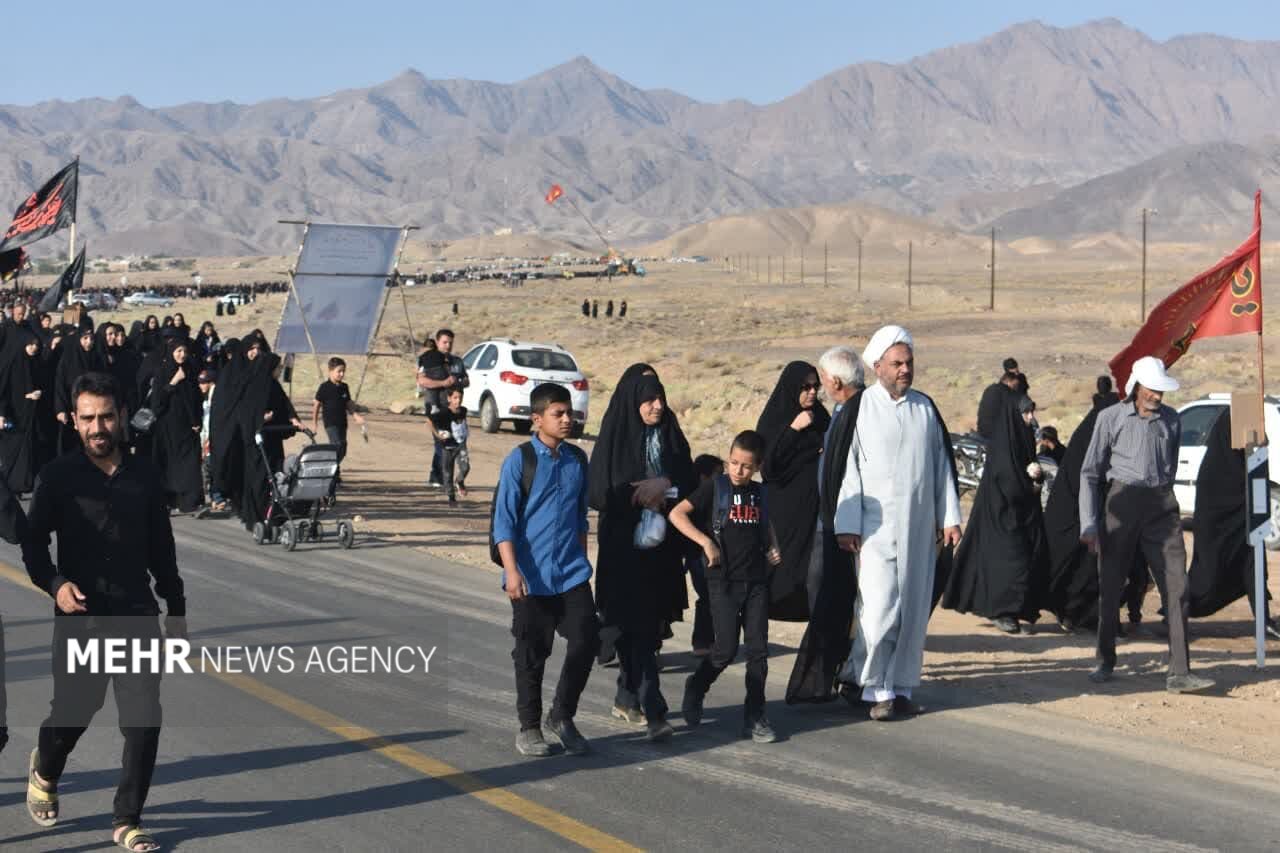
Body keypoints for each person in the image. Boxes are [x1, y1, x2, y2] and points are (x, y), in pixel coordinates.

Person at [21, 371, 187, 853]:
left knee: (143, 720)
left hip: (137, 613)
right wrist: (55, 585)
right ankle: (45, 767)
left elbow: (163, 547)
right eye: (88, 418)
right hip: (82, 617)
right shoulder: (58, 477)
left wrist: (176, 608)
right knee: (73, 713)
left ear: (120, 418)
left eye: (107, 417)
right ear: (74, 421)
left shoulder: (144, 475)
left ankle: (126, 820)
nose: (98, 427)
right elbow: (33, 545)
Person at [832, 326, 962, 721]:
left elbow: (942, 468)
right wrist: (847, 524)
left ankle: (899, 687)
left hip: (919, 530)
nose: (905, 370)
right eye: (897, 363)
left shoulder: (925, 408)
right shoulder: (860, 409)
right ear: (877, 367)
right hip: (873, 531)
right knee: (878, 610)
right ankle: (874, 688)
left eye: (909, 362)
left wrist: (950, 517)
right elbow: (847, 471)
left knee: (911, 611)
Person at [1079, 356, 1214, 693]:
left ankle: (1179, 672)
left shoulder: (1171, 419)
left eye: (1161, 390)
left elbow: (1170, 461)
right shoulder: (1110, 418)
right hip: (1121, 505)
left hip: (1162, 507)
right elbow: (1090, 473)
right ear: (1137, 387)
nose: (1158, 396)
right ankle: (1105, 659)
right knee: (1111, 586)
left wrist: (1164, 498)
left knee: (1177, 587)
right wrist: (1089, 523)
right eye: (1152, 389)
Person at [589, 365, 694, 741]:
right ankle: (654, 708)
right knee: (632, 627)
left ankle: (627, 696)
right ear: (633, 401)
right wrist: (636, 494)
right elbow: (598, 490)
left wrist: (664, 482)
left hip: (661, 550)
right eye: (649, 400)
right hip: (623, 550)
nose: (657, 406)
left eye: (660, 398)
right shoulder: (615, 438)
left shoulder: (670, 437)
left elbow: (689, 478)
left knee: (648, 630)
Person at [494, 383, 598, 757]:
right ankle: (529, 727)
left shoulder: (577, 460)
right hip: (530, 576)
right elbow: (503, 522)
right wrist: (511, 571)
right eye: (558, 413)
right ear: (537, 419)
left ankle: (563, 715)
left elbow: (580, 518)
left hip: (571, 573)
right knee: (532, 652)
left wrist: (585, 562)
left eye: (569, 412)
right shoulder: (520, 460)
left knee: (587, 639)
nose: (567, 419)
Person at [671, 430, 783, 743]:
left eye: (746, 466)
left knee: (758, 650)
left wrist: (773, 545)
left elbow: (765, 522)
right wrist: (705, 542)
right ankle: (697, 687)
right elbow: (677, 514)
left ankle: (755, 716)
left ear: (757, 466)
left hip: (757, 580)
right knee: (725, 649)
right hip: (723, 581)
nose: (738, 470)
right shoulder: (714, 488)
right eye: (733, 462)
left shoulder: (760, 494)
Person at [785, 345, 865, 704]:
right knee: (825, 602)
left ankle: (840, 676)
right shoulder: (840, 412)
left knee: (840, 606)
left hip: (843, 528)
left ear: (834, 381)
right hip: (829, 525)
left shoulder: (860, 414)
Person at [943, 392, 1049, 634]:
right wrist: (1028, 481)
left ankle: (1009, 610)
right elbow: (1006, 478)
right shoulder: (1004, 441)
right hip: (1001, 513)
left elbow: (1026, 469)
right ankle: (1001, 611)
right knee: (1010, 561)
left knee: (1022, 558)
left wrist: (1036, 477)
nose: (1031, 417)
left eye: (1032, 411)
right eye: (1026, 412)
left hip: (1019, 511)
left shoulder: (1022, 435)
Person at [1187, 409, 1280, 637]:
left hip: (1244, 528)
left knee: (1255, 567)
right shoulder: (1215, 466)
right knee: (1208, 578)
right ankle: (1176, 614)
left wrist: (1262, 447)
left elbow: (1256, 483)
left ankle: (1264, 620)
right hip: (1217, 536)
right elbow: (1212, 507)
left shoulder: (1243, 461)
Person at [755, 361, 830, 621]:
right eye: (805, 387)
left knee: (809, 562)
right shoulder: (774, 419)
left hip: (812, 505)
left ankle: (804, 609)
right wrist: (793, 430)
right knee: (781, 560)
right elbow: (768, 467)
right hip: (783, 506)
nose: (811, 392)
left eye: (815, 387)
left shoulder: (820, 416)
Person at [1042, 377, 1116, 633]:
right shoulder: (1093, 436)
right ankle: (1076, 615)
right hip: (1078, 517)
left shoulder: (1088, 432)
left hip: (1083, 516)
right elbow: (1087, 477)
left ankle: (1090, 617)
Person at [151, 339, 204, 513]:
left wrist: (197, 421)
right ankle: (168, 500)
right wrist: (174, 381)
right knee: (170, 465)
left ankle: (191, 502)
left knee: (190, 464)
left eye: (184, 351)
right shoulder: (162, 372)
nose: (182, 355)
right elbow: (157, 403)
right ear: (171, 352)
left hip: (188, 427)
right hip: (168, 427)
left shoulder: (190, 370)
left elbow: (195, 399)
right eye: (178, 351)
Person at [0, 329, 55, 493]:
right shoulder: (12, 363)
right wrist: (1, 413)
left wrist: (38, 393)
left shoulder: (36, 363)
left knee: (30, 449)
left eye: (36, 345)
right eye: (30, 345)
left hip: (32, 413)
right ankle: (10, 483)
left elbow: (44, 384)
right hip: (14, 415)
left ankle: (24, 482)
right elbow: (3, 391)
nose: (34, 348)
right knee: (13, 451)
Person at [686, 454, 724, 655]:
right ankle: (702, 642)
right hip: (697, 554)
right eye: (717, 475)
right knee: (707, 596)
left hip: (707, 554)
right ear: (703, 477)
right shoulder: (697, 498)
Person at [420, 329, 469, 488]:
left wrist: (458, 382)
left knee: (454, 442)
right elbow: (422, 381)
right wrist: (443, 383)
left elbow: (466, 380)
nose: (448, 345)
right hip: (435, 407)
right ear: (438, 341)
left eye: (450, 342)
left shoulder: (457, 361)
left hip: (453, 409)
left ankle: (443, 477)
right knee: (441, 440)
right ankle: (438, 477)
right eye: (444, 342)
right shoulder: (429, 359)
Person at [53, 328, 103, 455]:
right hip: (70, 409)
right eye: (85, 338)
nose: (89, 342)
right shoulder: (68, 359)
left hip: (90, 409)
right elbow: (60, 385)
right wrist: (61, 409)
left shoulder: (96, 358)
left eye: (91, 338)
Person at [312, 357, 364, 465]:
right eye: (339, 371)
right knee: (336, 445)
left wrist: (355, 415)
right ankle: (332, 470)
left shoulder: (344, 387)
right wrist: (314, 424)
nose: (342, 374)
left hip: (342, 423)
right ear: (330, 371)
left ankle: (331, 467)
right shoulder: (324, 387)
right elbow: (316, 405)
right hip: (330, 423)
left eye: (343, 371)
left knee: (343, 448)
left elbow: (348, 403)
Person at [429, 387, 470, 505]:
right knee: (448, 472)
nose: (458, 401)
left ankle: (460, 481)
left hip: (460, 445)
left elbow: (463, 422)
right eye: (455, 398)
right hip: (447, 446)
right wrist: (438, 435)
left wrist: (465, 431)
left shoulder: (463, 410)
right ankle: (451, 497)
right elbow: (429, 421)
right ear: (449, 398)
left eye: (460, 398)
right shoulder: (443, 413)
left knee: (465, 466)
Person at [197, 369, 226, 512]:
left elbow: (210, 423)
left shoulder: (215, 399)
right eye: (200, 382)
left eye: (204, 382)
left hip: (212, 439)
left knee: (211, 468)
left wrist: (207, 440)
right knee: (209, 468)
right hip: (207, 439)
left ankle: (217, 497)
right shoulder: (207, 400)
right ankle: (215, 497)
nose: (201, 385)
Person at [977, 359, 1021, 439]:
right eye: (1015, 384)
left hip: (983, 431)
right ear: (1009, 382)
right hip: (994, 435)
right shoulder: (1006, 393)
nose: (1016, 387)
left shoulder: (991, 388)